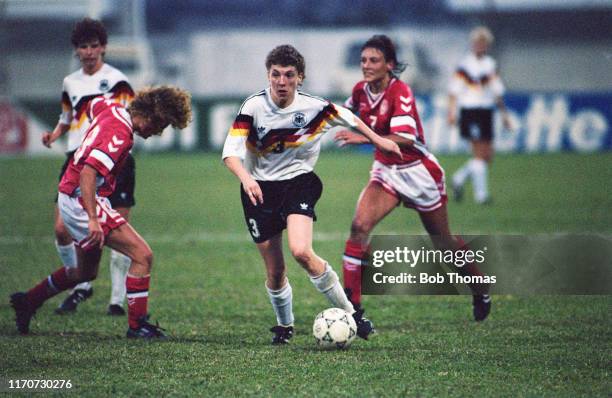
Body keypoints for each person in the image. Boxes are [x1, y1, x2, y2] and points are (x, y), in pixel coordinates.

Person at [222, 44, 402, 344]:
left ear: (300, 77)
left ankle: (352, 315)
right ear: (268, 76)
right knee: (275, 270)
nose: (281, 82)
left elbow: (351, 118)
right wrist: (246, 179)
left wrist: (378, 141)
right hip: (258, 190)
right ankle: (285, 326)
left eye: (289, 75)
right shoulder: (253, 107)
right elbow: (230, 153)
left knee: (302, 251)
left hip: (298, 183)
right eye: (275, 75)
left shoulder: (315, 107)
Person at [10, 86, 192, 338]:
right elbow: (88, 172)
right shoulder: (120, 134)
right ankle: (137, 326)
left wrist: (58, 130)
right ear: (151, 117)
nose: (159, 132)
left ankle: (28, 300)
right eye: (162, 125)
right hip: (81, 200)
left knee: (85, 273)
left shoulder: (112, 107)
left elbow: (88, 102)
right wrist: (93, 219)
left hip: (74, 196)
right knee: (142, 255)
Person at [336, 35, 492, 322]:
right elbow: (342, 114)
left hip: (419, 173)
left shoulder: (400, 92)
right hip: (386, 172)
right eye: (363, 60)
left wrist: (362, 138)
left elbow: (404, 138)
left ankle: (480, 288)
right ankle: (353, 310)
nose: (366, 66)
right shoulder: (360, 90)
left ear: (389, 65)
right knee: (359, 227)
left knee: (443, 244)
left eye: (374, 60)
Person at [42, 18, 136, 316]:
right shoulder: (71, 82)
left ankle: (117, 300)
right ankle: (79, 284)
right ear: (77, 50)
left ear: (104, 47)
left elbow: (131, 118)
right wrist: (55, 134)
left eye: (94, 45)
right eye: (84, 46)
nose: (90, 51)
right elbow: (66, 116)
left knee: (119, 232)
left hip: (112, 162)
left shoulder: (117, 80)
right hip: (77, 160)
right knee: (61, 229)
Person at [447, 26, 511, 204]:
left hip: (486, 111)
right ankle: (481, 196)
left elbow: (497, 91)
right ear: (472, 44)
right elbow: (454, 91)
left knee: (487, 156)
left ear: (487, 45)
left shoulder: (490, 64)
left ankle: (458, 179)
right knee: (479, 153)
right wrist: (451, 113)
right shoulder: (465, 65)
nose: (480, 46)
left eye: (483, 43)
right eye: (477, 42)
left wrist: (504, 114)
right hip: (470, 111)